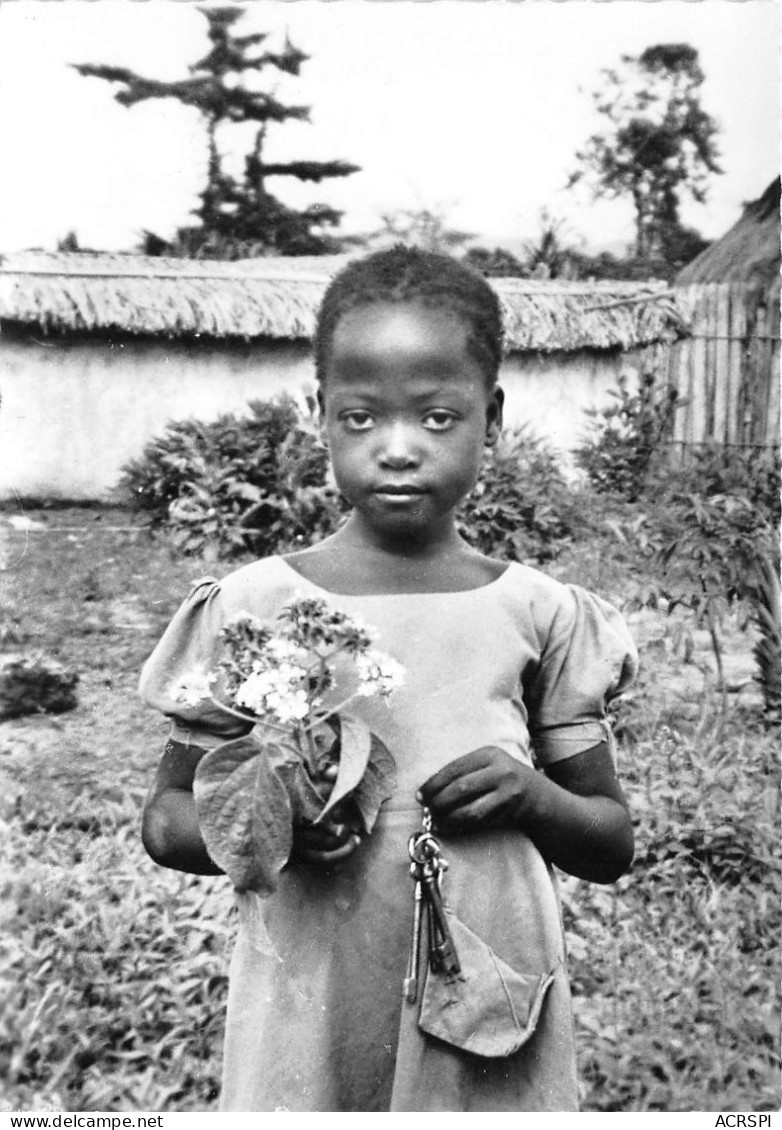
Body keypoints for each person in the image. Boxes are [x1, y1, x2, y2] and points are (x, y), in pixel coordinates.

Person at [139, 246, 637, 1112]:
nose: (398, 450)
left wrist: (531, 796)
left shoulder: (542, 612)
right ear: (319, 415)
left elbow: (609, 843)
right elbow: (170, 819)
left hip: (489, 984)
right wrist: (279, 829)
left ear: (495, 415)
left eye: (439, 418)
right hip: (315, 982)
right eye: (362, 418)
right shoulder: (256, 606)